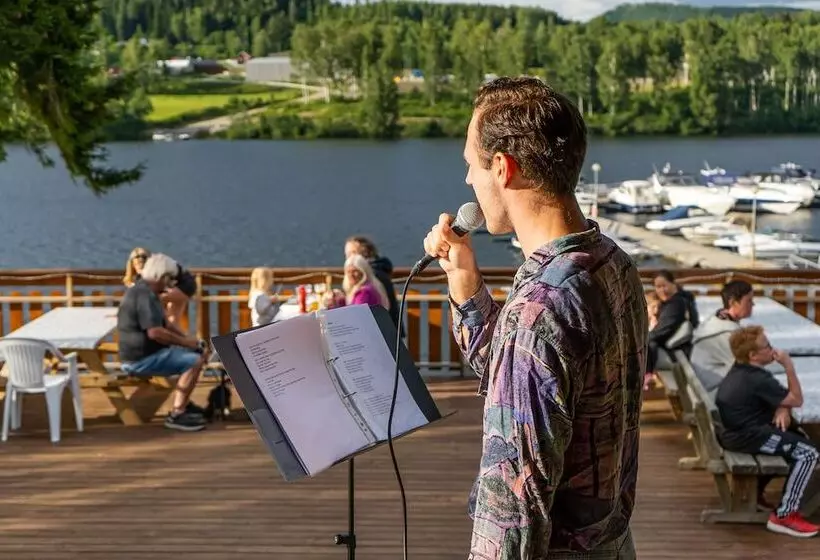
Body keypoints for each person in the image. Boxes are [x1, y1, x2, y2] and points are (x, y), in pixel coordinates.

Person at [422, 76, 646, 559]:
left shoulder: (538, 312)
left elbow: (512, 514)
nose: (468, 181)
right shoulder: (613, 264)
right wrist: (465, 283)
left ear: (503, 168)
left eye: (471, 164)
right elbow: (519, 375)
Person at [715, 326, 819, 537]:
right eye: (767, 346)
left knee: (797, 438)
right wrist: (788, 365)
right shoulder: (758, 379)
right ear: (753, 355)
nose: (773, 349)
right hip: (746, 437)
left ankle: (758, 492)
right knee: (809, 453)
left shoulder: (742, 370)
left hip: (734, 433)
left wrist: (782, 407)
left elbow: (781, 399)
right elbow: (797, 399)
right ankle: (784, 515)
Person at [117, 253, 209, 432]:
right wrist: (187, 344)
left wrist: (190, 341)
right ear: (161, 276)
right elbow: (155, 333)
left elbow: (166, 323)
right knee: (194, 362)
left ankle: (184, 403)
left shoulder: (143, 291)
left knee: (192, 354)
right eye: (169, 279)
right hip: (140, 359)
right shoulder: (145, 295)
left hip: (142, 353)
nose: (171, 284)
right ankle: (177, 413)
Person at [690, 280, 754, 392]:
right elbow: (749, 365)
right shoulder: (727, 333)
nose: (753, 304)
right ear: (733, 302)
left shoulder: (716, 320)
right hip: (711, 391)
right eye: (749, 300)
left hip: (704, 385)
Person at [646, 270, 698, 372]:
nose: (662, 290)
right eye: (658, 287)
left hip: (676, 351)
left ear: (673, 284)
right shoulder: (676, 301)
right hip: (675, 349)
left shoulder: (676, 303)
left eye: (664, 286)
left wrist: (640, 340)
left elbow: (663, 330)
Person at [344, 235, 400, 326]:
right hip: (390, 327)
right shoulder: (381, 270)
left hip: (383, 329)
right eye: (347, 255)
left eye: (352, 253)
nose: (349, 258)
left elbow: (358, 316)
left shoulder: (371, 279)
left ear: (366, 253)